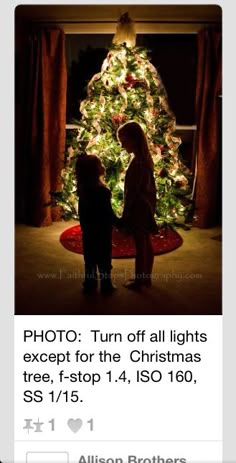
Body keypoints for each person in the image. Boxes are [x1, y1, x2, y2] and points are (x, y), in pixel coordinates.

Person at [117, 121, 158, 290]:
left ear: (134, 139)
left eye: (123, 140)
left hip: (139, 208)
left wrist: (127, 212)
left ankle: (139, 280)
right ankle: (146, 277)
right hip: (146, 206)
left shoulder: (139, 164)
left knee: (140, 245)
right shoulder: (143, 159)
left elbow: (133, 192)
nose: (121, 144)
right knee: (146, 241)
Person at [76, 154, 118, 295]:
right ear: (95, 171)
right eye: (100, 164)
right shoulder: (103, 192)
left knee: (90, 258)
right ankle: (106, 285)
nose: (103, 166)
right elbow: (108, 214)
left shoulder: (83, 191)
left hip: (88, 232)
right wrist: (120, 223)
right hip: (102, 232)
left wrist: (84, 228)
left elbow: (82, 214)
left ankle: (90, 283)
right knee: (104, 258)